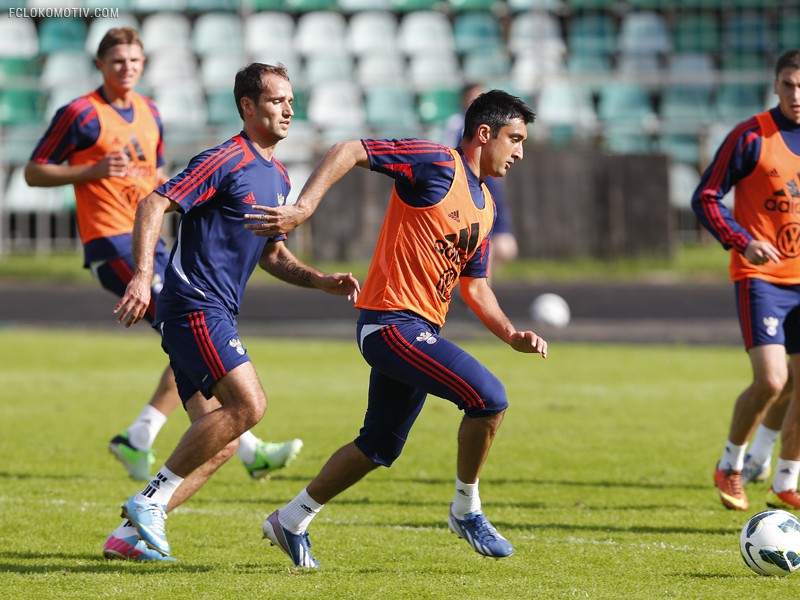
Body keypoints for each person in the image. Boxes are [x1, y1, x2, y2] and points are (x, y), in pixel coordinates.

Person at [245, 89, 545, 568]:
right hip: (389, 324)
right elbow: (349, 149)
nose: (520, 152)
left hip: (417, 330)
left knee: (378, 446)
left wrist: (511, 334)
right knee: (489, 398)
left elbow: (476, 286)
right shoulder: (436, 163)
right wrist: (302, 209)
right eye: (515, 138)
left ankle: (291, 519)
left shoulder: (485, 205)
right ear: (484, 134)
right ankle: (466, 509)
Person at [24, 27, 302, 485]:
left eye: (134, 61)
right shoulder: (79, 113)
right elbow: (34, 172)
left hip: (149, 242)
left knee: (188, 338)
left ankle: (145, 435)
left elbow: (153, 176)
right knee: (189, 327)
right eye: (117, 61)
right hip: (111, 240)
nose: (127, 68)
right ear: (100, 65)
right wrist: (91, 170)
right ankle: (243, 444)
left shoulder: (151, 112)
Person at [108, 62, 360, 561]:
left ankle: (128, 537)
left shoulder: (280, 173)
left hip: (214, 309)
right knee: (250, 406)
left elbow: (271, 255)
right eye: (276, 101)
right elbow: (152, 205)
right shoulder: (224, 159)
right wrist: (141, 275)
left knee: (222, 440)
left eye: (290, 100)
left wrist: (320, 280)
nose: (288, 109)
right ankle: (150, 501)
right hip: (194, 302)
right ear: (247, 106)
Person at [692, 49, 800, 512]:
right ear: (775, 85)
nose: (797, 94)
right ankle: (732, 463)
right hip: (762, 277)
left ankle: (786, 479)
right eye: (789, 84)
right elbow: (707, 197)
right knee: (773, 381)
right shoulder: (751, 136)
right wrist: (741, 240)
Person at [442, 83, 518, 280]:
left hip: (492, 192)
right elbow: (448, 153)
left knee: (507, 249)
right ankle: (478, 289)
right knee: (485, 245)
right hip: (469, 189)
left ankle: (471, 281)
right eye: (472, 98)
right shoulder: (457, 124)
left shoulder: (495, 124)